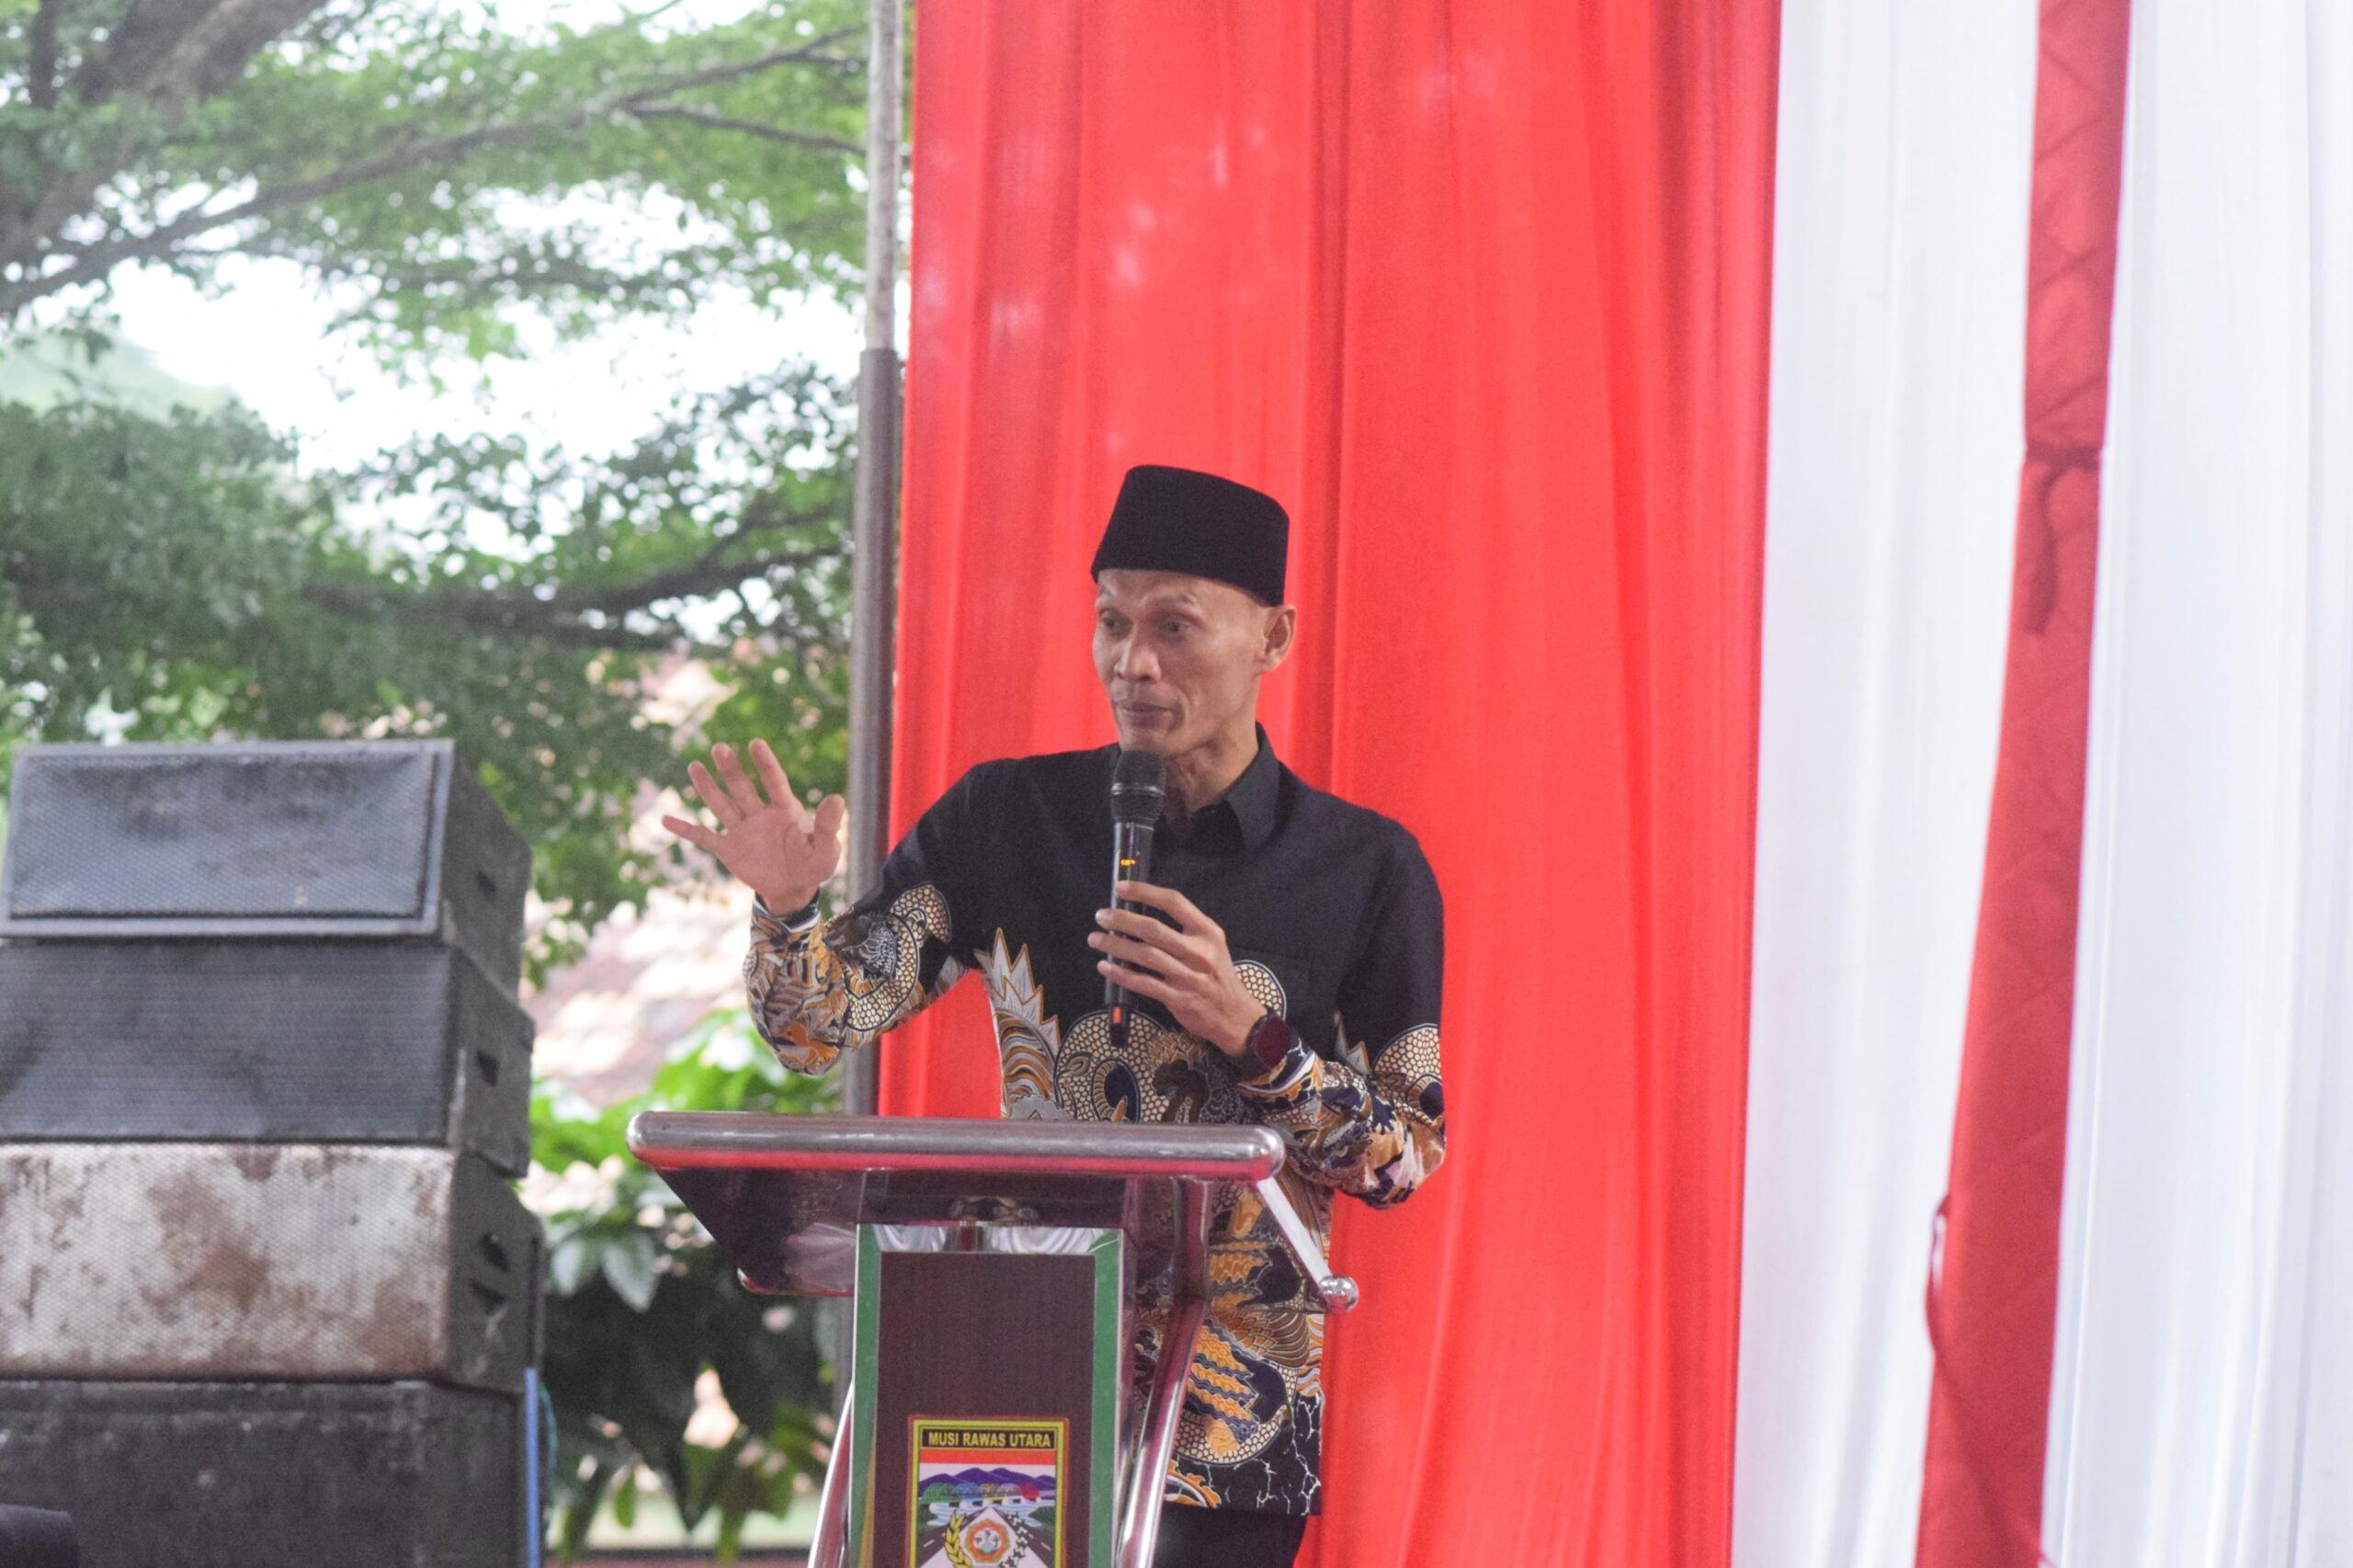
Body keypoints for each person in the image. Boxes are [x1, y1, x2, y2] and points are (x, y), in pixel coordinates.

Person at [665, 463, 1448, 1568]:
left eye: (1174, 626)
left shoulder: (1363, 867)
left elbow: (1401, 1153)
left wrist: (1253, 1033)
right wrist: (789, 908)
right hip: (1006, 1381)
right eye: (1111, 622)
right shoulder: (1006, 817)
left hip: (1231, 1423)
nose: (1133, 662)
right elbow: (815, 1027)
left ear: (1271, 637)